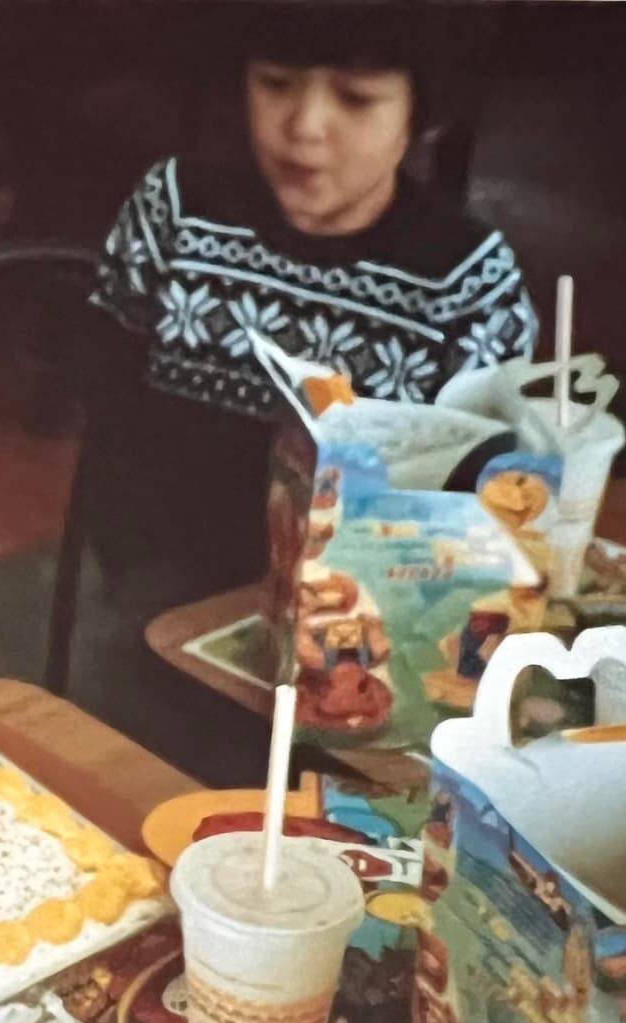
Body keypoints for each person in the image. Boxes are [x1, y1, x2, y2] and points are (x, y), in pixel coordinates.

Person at [81, 8, 538, 610]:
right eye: (274, 83)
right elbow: (108, 402)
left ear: (421, 116)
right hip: (169, 598)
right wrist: (141, 569)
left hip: (366, 616)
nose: (305, 126)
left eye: (356, 99)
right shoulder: (175, 209)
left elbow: (478, 501)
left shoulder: (463, 278)